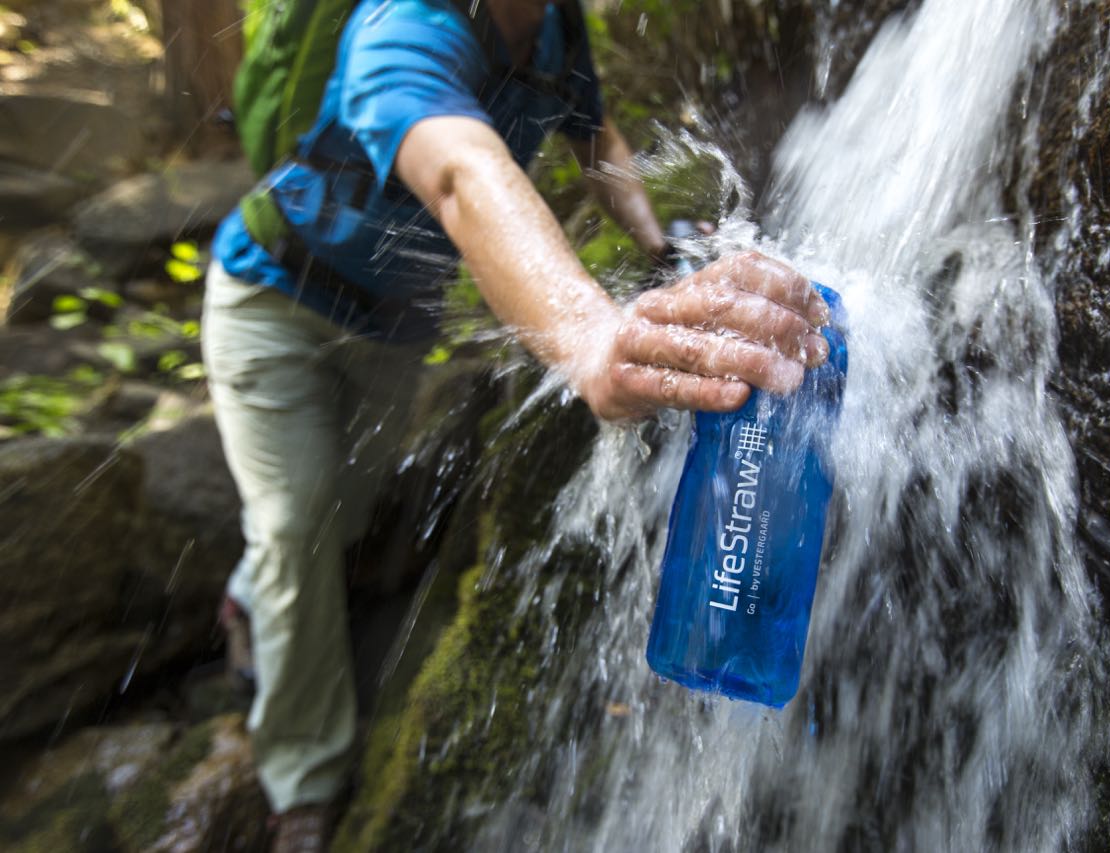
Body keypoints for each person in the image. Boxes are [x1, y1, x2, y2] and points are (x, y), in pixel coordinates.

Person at [203, 0, 830, 847]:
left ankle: (251, 599)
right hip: (270, 304)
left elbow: (596, 136)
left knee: (334, 512)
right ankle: (303, 785)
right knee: (295, 519)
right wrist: (589, 335)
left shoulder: (552, 27)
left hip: (390, 334)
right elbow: (462, 170)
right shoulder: (401, 29)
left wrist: (657, 240)